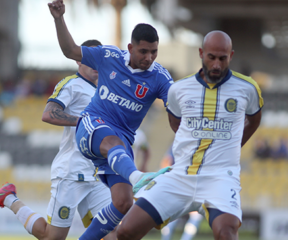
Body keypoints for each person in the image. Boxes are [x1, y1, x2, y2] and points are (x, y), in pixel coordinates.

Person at [117, 30, 263, 240]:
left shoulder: (248, 88)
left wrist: (233, 146)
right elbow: (175, 122)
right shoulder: (179, 89)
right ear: (201, 53)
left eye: (222, 59)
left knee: (226, 233)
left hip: (220, 178)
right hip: (180, 175)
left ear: (231, 56)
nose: (216, 65)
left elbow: (254, 119)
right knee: (125, 231)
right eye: (211, 57)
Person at [47, 1, 173, 239]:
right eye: (143, 51)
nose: (149, 58)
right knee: (113, 141)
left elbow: (176, 107)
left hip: (120, 146)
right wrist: (58, 19)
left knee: (123, 203)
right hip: (91, 127)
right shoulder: (108, 56)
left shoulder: (159, 77)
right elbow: (71, 50)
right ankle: (138, 178)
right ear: (130, 47)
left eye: (154, 52)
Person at [0, 40, 116, 240]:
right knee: (51, 237)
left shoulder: (104, 91)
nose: (96, 64)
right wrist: (83, 122)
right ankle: (9, 199)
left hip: (95, 175)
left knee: (112, 234)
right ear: (79, 60)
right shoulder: (72, 84)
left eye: (99, 59)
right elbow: (49, 114)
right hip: (72, 173)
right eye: (90, 59)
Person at [159, 145, 204, 240]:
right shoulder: (178, 144)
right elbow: (166, 162)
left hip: (191, 185)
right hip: (180, 184)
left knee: (193, 215)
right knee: (174, 214)